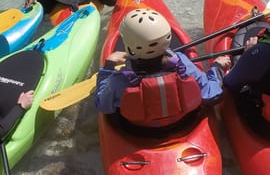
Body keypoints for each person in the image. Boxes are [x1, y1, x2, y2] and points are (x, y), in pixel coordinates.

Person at [95, 8, 230, 128]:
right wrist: (216, 67)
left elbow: (102, 104)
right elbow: (211, 93)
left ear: (129, 45)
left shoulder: (121, 80)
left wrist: (108, 67)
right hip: (182, 122)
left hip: (141, 130)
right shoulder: (182, 64)